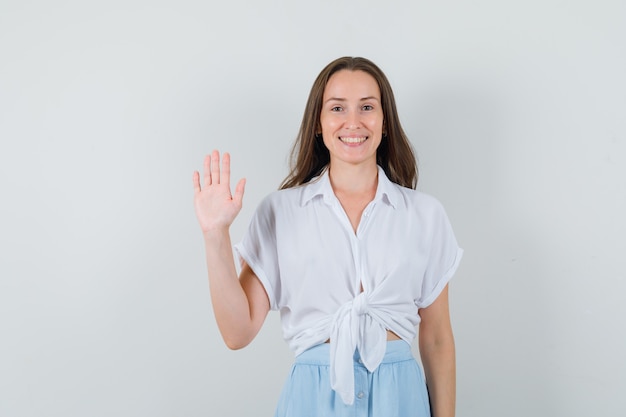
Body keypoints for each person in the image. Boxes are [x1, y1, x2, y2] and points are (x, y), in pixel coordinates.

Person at [192, 56, 463, 417]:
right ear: (319, 124)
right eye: (337, 108)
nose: (354, 122)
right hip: (313, 399)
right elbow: (237, 333)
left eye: (367, 107)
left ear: (385, 123)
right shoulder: (281, 212)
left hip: (400, 400)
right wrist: (216, 235)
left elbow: (438, 339)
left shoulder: (425, 214)